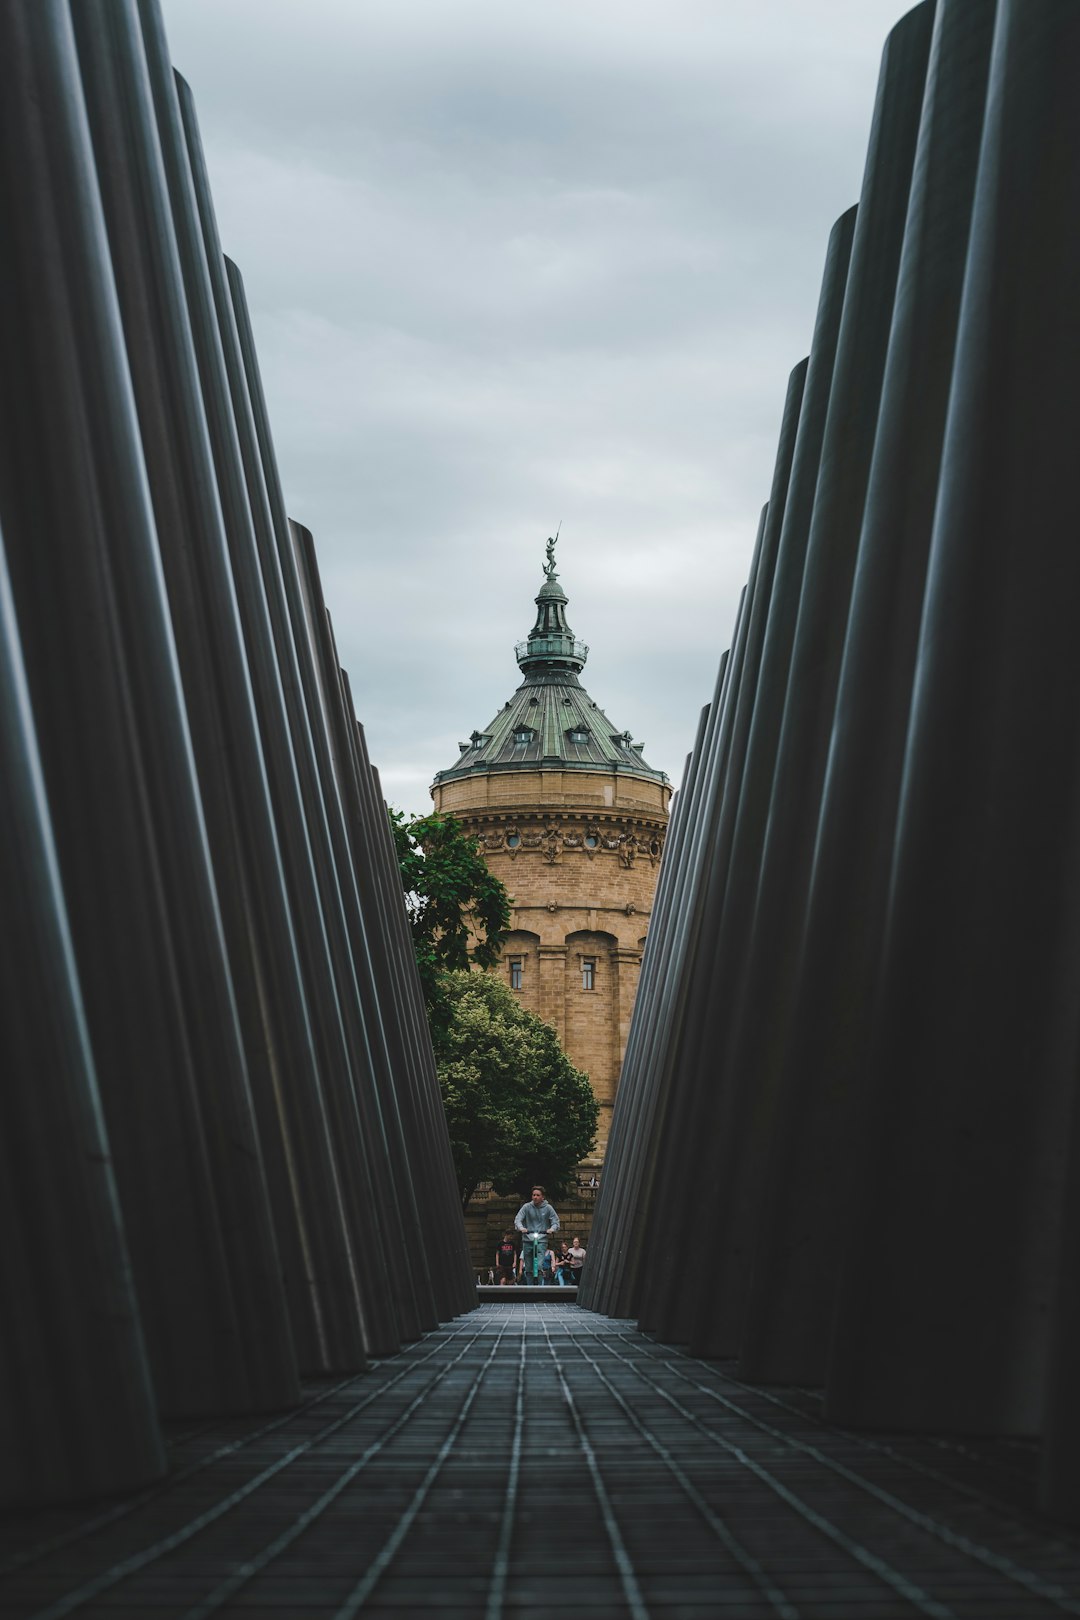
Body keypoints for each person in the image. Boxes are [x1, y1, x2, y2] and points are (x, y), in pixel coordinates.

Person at [514, 1185, 559, 1284]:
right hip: (527, 1239)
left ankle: (539, 1286)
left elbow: (555, 1222)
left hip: (541, 1239)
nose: (535, 1197)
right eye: (534, 1195)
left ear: (542, 1197)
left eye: (538, 1195)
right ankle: (530, 1287)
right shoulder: (526, 1207)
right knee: (528, 1267)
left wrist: (551, 1229)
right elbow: (518, 1219)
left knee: (538, 1265)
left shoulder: (548, 1208)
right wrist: (521, 1228)